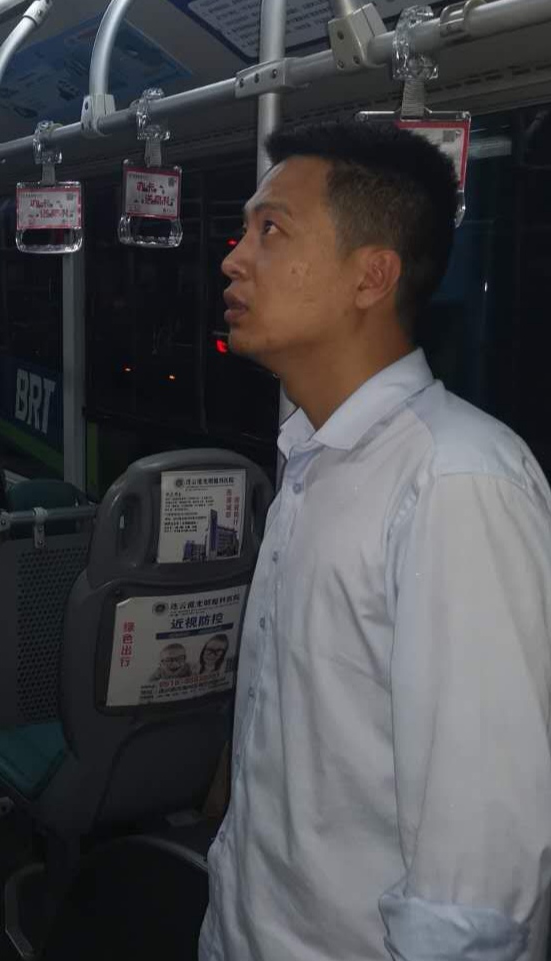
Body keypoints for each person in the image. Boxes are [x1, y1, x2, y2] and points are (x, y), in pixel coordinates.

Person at [200, 121, 551, 961]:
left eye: (270, 229)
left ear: (372, 275)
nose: (234, 259)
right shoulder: (313, 459)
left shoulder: (455, 482)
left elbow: (476, 879)